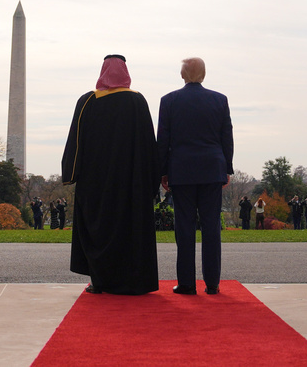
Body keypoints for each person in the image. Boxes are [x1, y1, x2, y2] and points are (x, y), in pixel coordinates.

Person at [61, 54, 160, 295]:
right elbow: (149, 144)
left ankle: (99, 280)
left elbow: (75, 140)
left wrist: (70, 173)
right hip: (131, 183)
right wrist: (153, 180)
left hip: (95, 183)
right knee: (130, 229)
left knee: (98, 230)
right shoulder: (137, 101)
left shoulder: (87, 101)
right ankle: (133, 282)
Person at [157, 57, 234, 295]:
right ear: (204, 74)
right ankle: (212, 283)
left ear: (182, 75)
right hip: (212, 169)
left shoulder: (169, 101)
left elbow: (163, 140)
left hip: (181, 171)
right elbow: (226, 137)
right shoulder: (219, 100)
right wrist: (227, 168)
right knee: (212, 227)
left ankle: (187, 283)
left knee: (185, 228)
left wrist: (162, 171)